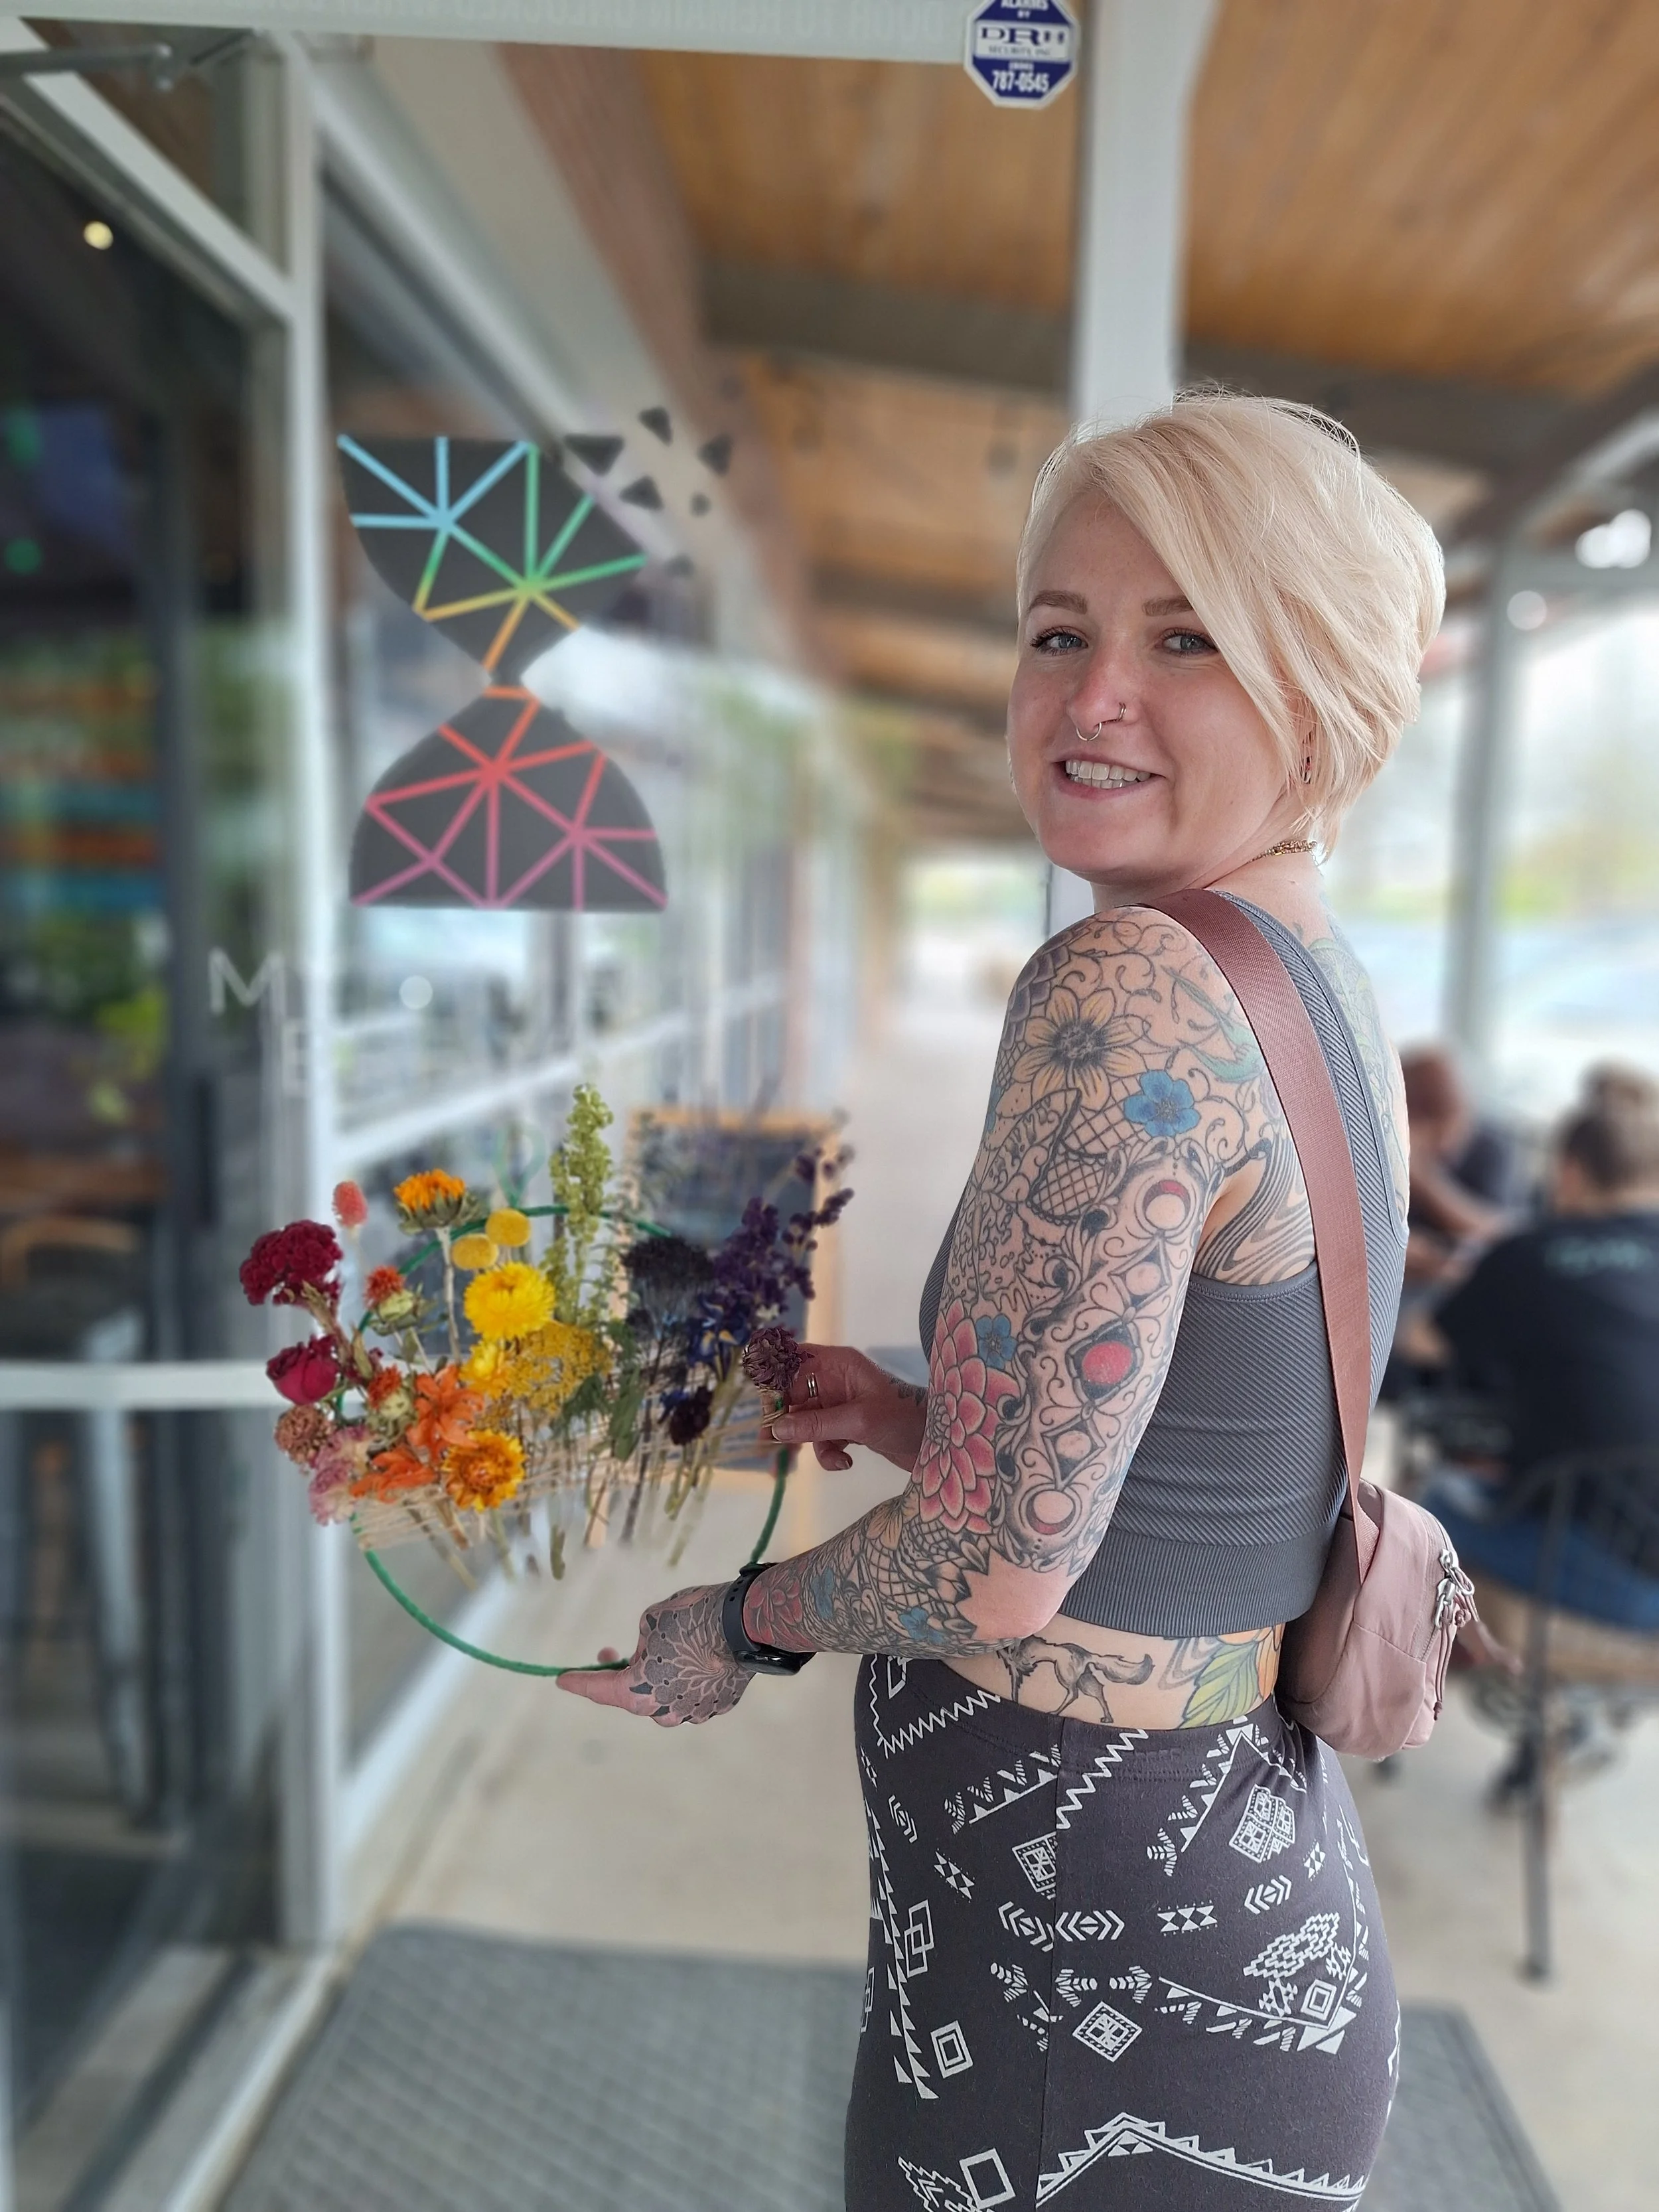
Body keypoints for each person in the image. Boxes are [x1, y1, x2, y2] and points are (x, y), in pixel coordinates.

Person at [563, 395, 1441, 2208]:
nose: (1090, 690)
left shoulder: (1127, 985)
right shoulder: (1307, 972)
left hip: (1083, 1957)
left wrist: (741, 1619)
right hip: (1206, 1891)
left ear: (1323, 678)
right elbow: (1189, 1406)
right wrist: (904, 1407)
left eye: (1185, 635)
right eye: (1059, 631)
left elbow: (993, 1559)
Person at [1421, 1089, 1659, 1635]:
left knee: (1431, 1505)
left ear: (1570, 1173)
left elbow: (1422, 1341)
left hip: (1623, 1580)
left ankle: (1421, 1677)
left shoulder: (1530, 1253)